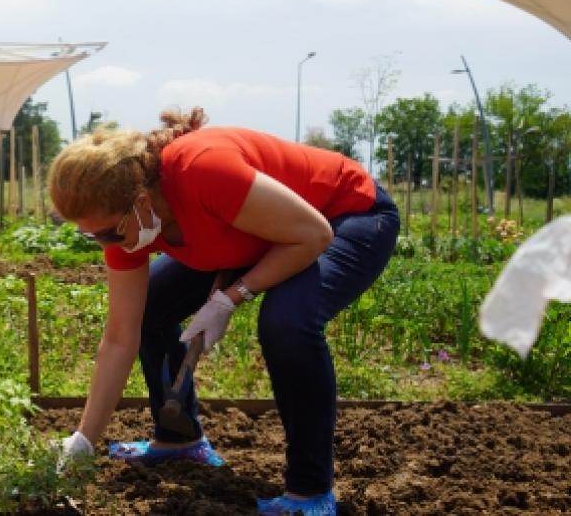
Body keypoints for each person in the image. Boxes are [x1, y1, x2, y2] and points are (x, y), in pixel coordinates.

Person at [49, 109, 399, 516]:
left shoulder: (203, 171)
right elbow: (120, 336)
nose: (104, 243)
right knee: (150, 311)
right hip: (258, 230)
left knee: (286, 322)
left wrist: (230, 297)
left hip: (343, 214)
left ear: (141, 201)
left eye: (107, 233)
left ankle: (311, 491)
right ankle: (179, 440)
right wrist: (84, 440)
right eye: (91, 235)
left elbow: (313, 234)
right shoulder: (128, 225)